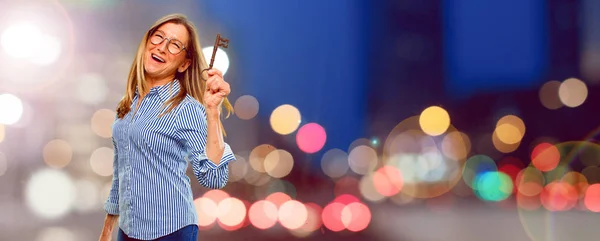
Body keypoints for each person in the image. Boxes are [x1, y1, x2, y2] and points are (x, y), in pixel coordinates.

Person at [98, 13, 236, 241]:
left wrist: (212, 113)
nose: (162, 47)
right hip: (129, 230)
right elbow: (121, 172)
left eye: (175, 45)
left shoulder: (186, 109)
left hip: (171, 230)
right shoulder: (127, 104)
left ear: (184, 64)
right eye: (158, 37)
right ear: (146, 42)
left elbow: (214, 178)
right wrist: (107, 231)